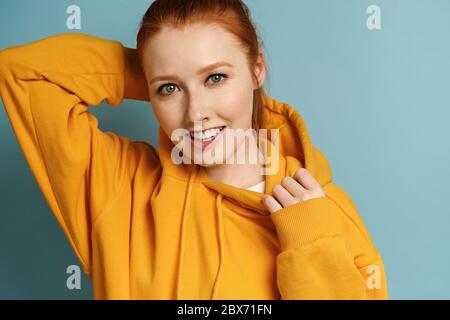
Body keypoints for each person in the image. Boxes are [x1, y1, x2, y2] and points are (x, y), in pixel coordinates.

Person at [0, 0, 388, 299]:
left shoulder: (323, 210)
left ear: (257, 70)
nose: (196, 113)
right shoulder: (118, 187)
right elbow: (23, 73)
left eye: (215, 78)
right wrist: (157, 67)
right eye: (169, 90)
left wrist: (312, 245)